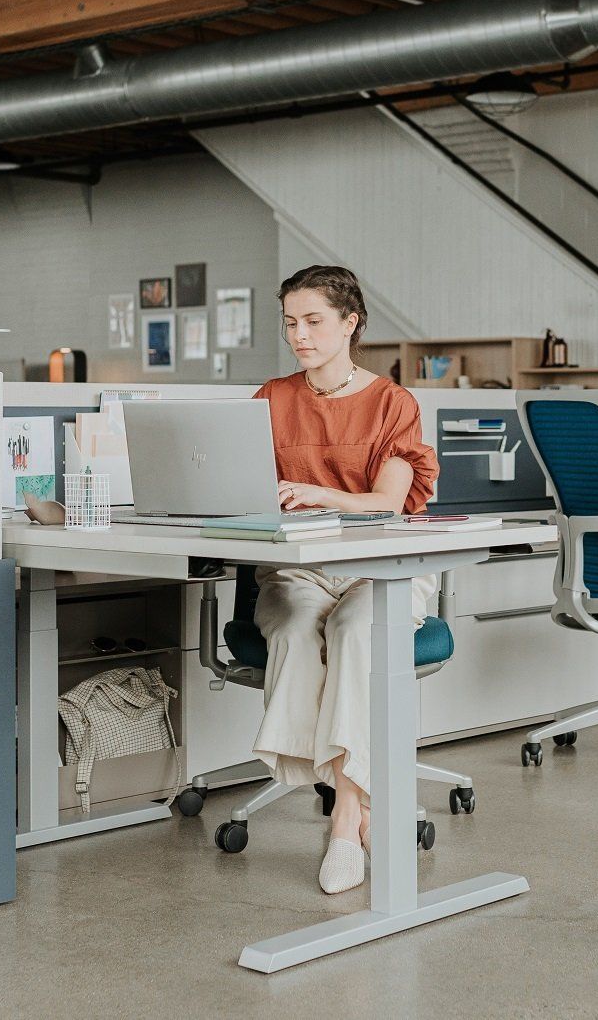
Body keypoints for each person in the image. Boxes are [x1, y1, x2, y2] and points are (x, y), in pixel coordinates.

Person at [249, 265, 440, 895]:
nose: (298, 335)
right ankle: (355, 806)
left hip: (379, 572)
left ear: (350, 322)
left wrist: (314, 491)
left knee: (360, 632)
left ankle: (345, 817)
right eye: (289, 323)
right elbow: (247, 488)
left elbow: (388, 500)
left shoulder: (392, 402)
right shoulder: (272, 398)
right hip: (303, 569)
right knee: (300, 627)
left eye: (312, 321)